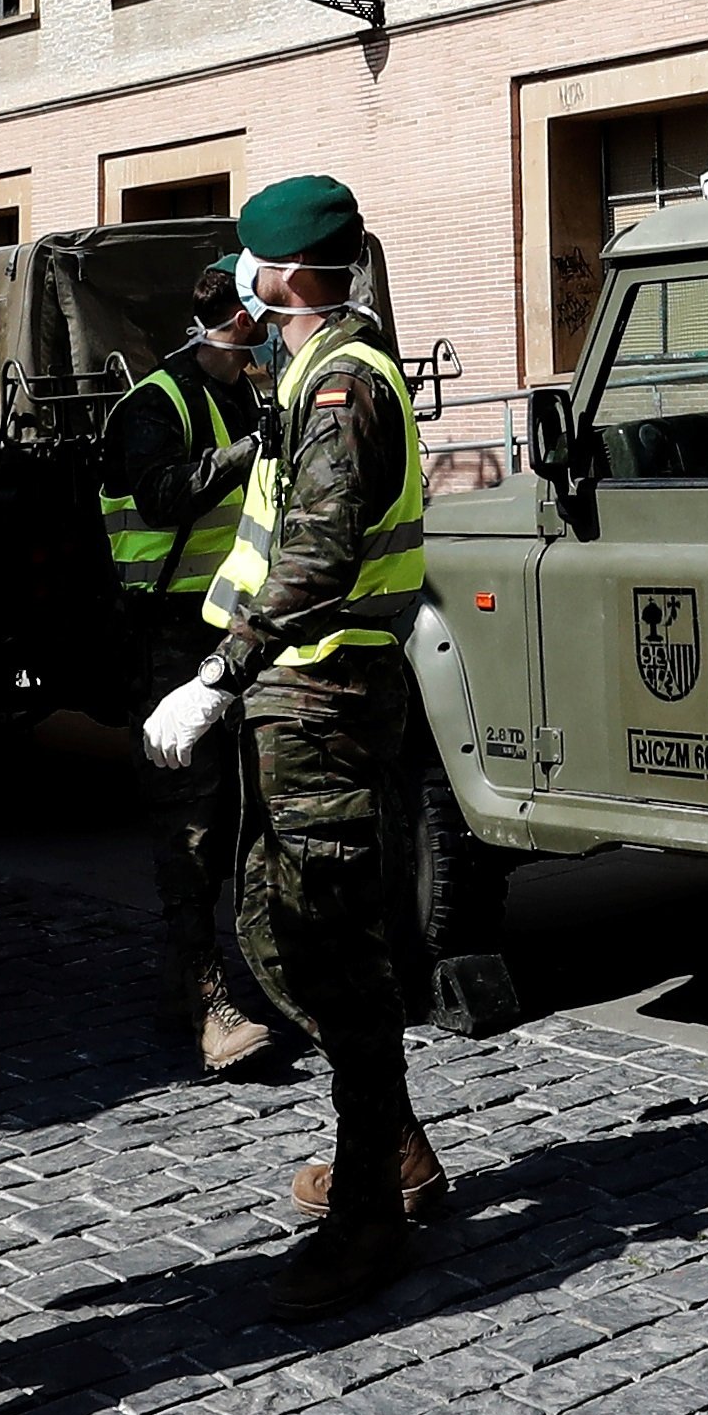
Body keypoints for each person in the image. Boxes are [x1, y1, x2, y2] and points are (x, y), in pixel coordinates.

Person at [141, 175, 442, 1317]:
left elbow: (314, 560)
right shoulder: (311, 369)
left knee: (330, 946)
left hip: (324, 693)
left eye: (254, 267)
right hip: (298, 692)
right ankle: (395, 1138)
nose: (243, 286)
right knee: (277, 927)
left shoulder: (345, 384)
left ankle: (369, 1207)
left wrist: (220, 675)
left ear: (289, 276)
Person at [96, 253, 281, 1074]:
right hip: (169, 636)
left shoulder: (245, 390)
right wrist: (250, 449)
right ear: (239, 323)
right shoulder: (154, 403)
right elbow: (166, 495)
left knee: (252, 813)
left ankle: (252, 970)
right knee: (192, 827)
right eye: (265, 319)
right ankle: (201, 995)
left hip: (238, 626)